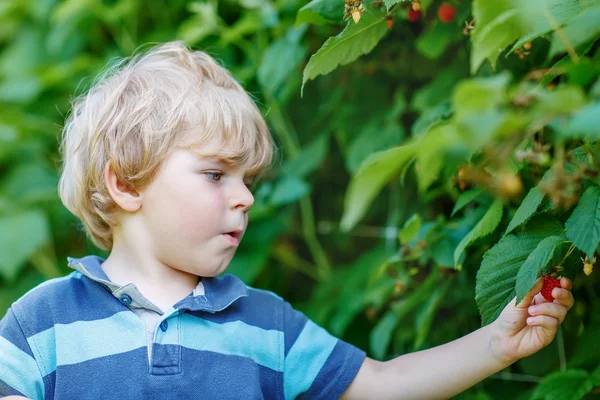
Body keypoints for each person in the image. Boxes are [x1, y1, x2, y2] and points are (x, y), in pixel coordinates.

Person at [0, 41, 575, 400]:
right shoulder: (40, 325)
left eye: (248, 180)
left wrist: (496, 344)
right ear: (125, 184)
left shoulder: (264, 326)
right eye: (216, 174)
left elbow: (381, 385)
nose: (245, 197)